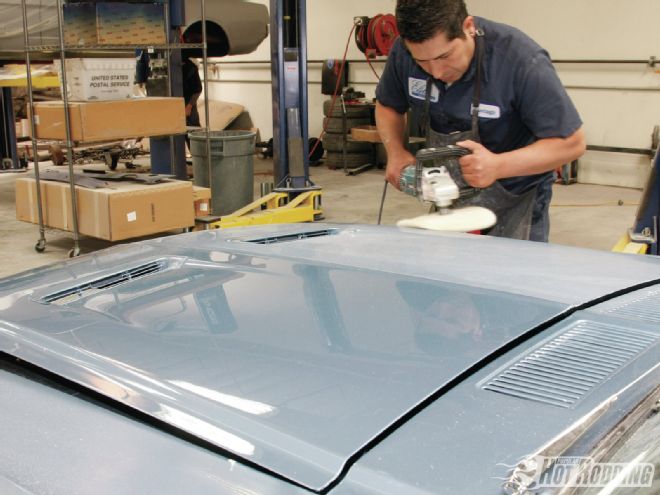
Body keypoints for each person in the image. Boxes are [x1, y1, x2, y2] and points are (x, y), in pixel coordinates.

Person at [376, 0, 586, 241]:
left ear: (468, 27)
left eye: (445, 56)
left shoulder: (520, 61)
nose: (436, 72)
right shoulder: (403, 52)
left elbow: (572, 142)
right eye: (422, 61)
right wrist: (395, 151)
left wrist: (497, 166)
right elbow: (387, 105)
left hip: (517, 196)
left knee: (514, 276)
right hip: (449, 198)